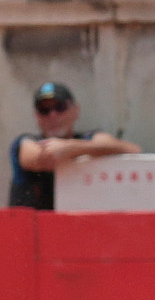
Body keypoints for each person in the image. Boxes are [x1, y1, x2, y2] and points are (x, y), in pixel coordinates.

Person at [9, 83, 139, 211]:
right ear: (36, 116)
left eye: (60, 107)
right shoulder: (27, 141)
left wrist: (70, 148)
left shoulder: (88, 138)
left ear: (75, 110)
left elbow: (131, 150)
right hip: (33, 230)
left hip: (82, 227)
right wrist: (79, 151)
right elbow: (40, 157)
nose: (53, 115)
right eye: (44, 110)